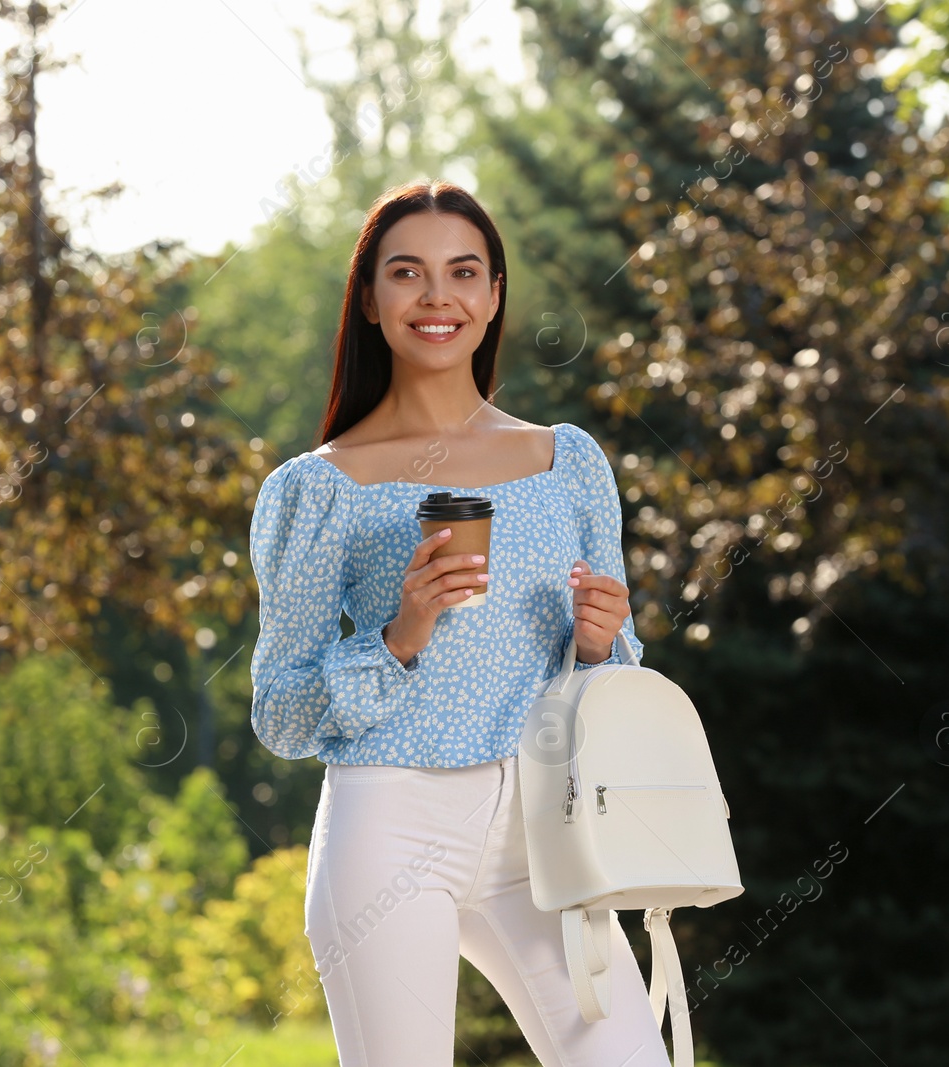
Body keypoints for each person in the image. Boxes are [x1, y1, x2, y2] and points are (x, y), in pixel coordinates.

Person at [247, 179, 668, 1067]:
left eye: (463, 272)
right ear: (369, 299)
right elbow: (281, 713)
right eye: (408, 272)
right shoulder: (317, 489)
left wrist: (599, 644)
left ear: (493, 295)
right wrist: (401, 633)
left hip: (545, 831)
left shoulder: (568, 462)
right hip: (389, 823)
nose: (437, 296)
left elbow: (616, 677)